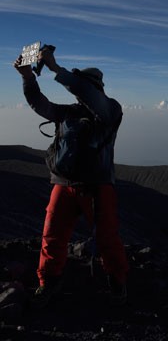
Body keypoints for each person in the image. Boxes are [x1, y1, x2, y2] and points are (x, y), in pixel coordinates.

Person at [13, 48, 129, 307]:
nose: (81, 94)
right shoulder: (69, 113)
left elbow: (89, 96)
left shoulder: (111, 111)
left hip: (97, 187)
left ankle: (117, 282)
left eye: (84, 89)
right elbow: (38, 104)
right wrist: (27, 78)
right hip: (63, 184)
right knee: (52, 235)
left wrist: (57, 70)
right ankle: (48, 281)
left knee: (107, 238)